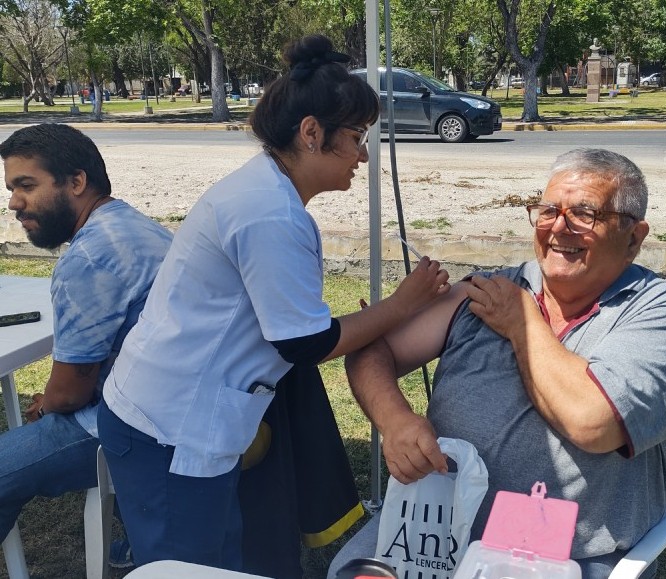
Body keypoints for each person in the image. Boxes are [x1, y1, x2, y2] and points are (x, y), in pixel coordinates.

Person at [97, 33, 450, 576]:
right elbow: (305, 342)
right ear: (312, 133)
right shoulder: (270, 213)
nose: (362, 153)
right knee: (188, 566)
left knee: (223, 557)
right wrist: (403, 305)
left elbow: (295, 323)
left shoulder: (269, 196)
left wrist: (379, 315)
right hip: (167, 426)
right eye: (356, 136)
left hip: (178, 415)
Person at [334, 148, 666, 579]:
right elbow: (370, 349)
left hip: (566, 557)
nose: (558, 227)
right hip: (433, 532)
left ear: (634, 237)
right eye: (548, 210)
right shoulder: (492, 291)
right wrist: (395, 419)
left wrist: (523, 323)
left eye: (585, 213)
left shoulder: (664, 312)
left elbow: (593, 422)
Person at [0, 123, 172, 546]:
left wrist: (46, 405)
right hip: (175, 401)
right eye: (10, 188)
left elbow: (71, 394)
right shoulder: (131, 223)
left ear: (77, 181)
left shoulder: (90, 258)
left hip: (134, 425)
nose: (14, 203)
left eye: (26, 185)